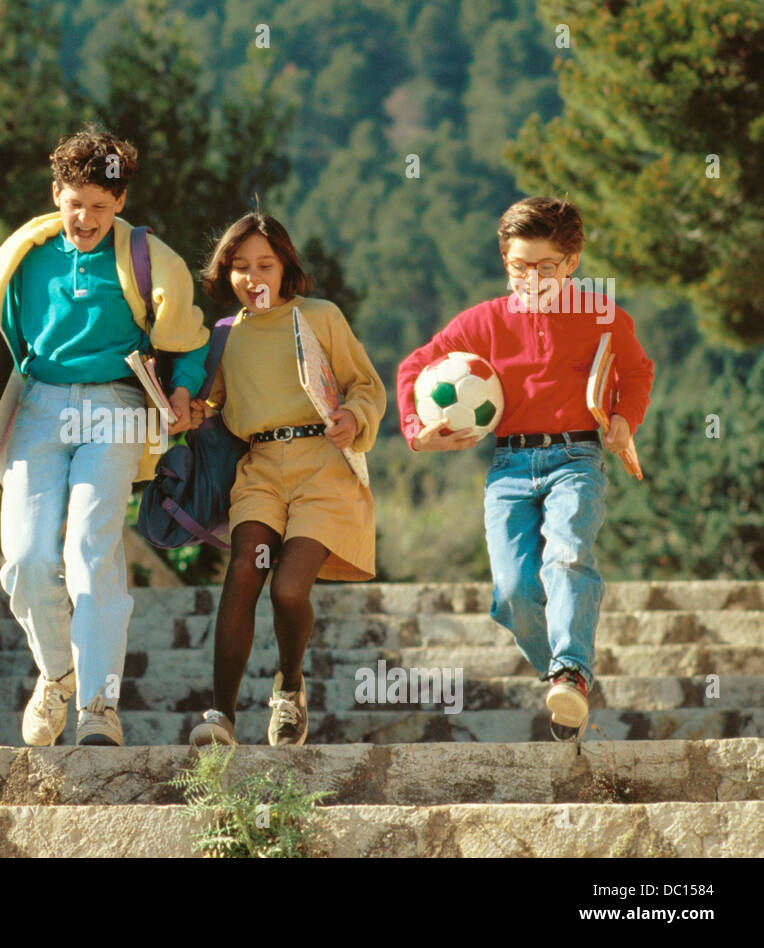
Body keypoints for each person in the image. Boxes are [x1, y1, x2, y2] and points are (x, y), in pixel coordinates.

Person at [0, 126, 209, 746]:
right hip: (37, 408)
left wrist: (181, 394)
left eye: (101, 205)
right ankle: (57, 675)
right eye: (75, 202)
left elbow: (189, 345)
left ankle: (98, 706)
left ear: (121, 202)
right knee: (23, 560)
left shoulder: (154, 259)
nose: (86, 217)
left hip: (118, 409)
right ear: (56, 194)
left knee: (90, 552)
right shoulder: (28, 258)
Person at [396, 196, 654, 741]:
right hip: (509, 465)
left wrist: (624, 421)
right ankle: (561, 682)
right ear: (504, 261)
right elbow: (415, 365)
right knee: (512, 591)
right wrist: (418, 431)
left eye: (545, 267)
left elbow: (636, 372)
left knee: (567, 555)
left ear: (572, 262)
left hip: (577, 457)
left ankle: (572, 672)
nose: (531, 278)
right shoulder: (482, 321)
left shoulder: (601, 314)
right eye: (519, 266)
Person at [188, 213, 386, 746]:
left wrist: (355, 417)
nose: (253, 277)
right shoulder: (226, 337)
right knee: (244, 574)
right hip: (260, 471)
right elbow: (216, 404)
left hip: (323, 468)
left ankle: (290, 687)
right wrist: (194, 412)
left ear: (284, 267)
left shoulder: (319, 317)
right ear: (225, 272)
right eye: (240, 266)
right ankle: (221, 717)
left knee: (290, 588)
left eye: (265, 264)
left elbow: (364, 385)